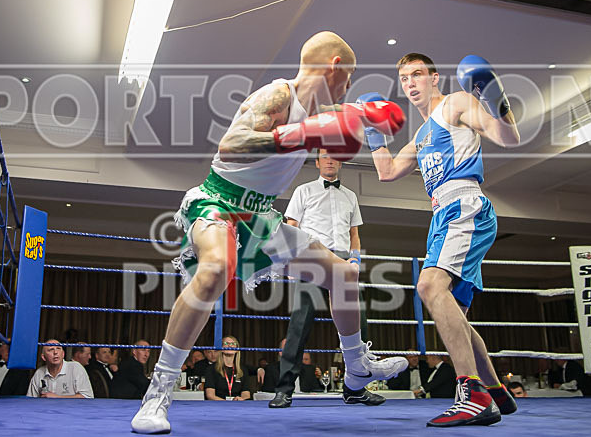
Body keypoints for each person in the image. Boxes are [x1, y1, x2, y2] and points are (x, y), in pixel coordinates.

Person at [131, 31, 408, 434]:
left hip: (262, 215)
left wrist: (368, 117)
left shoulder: (324, 109)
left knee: (344, 275)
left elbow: (348, 119)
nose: (347, 86)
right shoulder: (278, 95)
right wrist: (300, 134)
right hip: (220, 202)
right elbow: (231, 144)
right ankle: (157, 393)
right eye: (347, 77)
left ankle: (357, 367)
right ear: (334, 66)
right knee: (214, 270)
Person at [366, 53, 521, 427]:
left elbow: (507, 136)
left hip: (464, 205)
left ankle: (472, 394)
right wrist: (372, 131)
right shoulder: (420, 137)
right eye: (404, 78)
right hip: (443, 217)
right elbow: (386, 172)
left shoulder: (456, 103)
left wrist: (491, 93)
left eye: (417, 74)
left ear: (435, 78)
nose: (410, 83)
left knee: (429, 285)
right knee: (457, 318)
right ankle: (495, 389)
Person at [270, 149, 383, 408]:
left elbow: (354, 233)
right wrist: (294, 260)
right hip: (312, 260)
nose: (330, 159)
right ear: (318, 162)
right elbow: (292, 226)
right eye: (325, 156)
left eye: (335, 155)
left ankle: (356, 389)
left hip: (343, 261)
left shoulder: (350, 196)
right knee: (299, 325)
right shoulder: (303, 190)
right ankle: (284, 389)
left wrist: (355, 259)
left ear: (340, 161)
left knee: (359, 327)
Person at [27, 339, 93, 398]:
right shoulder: (39, 373)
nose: (55, 352)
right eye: (51, 350)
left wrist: (57, 397)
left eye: (58, 348)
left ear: (63, 354)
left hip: (72, 410)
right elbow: (30, 400)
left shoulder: (76, 368)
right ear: (44, 357)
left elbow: (87, 397)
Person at [203, 336, 253, 401]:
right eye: (226, 343)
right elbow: (210, 395)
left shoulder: (242, 370)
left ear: (237, 350)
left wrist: (241, 399)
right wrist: (226, 403)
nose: (230, 345)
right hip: (218, 406)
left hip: (237, 406)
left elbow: (246, 393)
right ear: (221, 349)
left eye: (233, 344)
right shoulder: (211, 369)